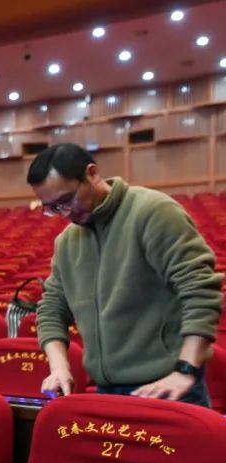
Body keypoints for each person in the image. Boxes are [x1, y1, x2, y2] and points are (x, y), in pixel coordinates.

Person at [31, 143, 222, 406]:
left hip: (168, 387)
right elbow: (52, 309)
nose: (64, 213)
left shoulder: (153, 212)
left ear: (92, 173)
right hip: (107, 388)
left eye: (66, 200)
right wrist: (59, 368)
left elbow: (200, 290)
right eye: (52, 207)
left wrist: (186, 370)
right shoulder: (67, 241)